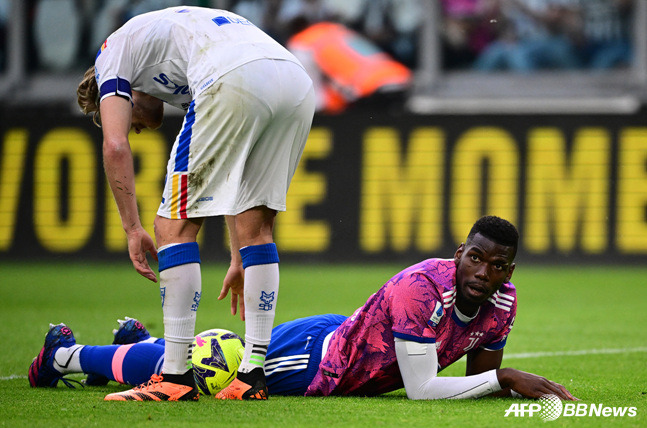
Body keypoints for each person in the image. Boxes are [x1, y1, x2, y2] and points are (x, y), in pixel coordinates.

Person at [29, 216, 576, 401]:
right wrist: (506, 379)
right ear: (460, 254)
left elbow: (477, 379)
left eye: (498, 266)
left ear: (510, 271)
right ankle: (66, 356)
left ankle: (132, 344)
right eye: (475, 258)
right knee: (206, 373)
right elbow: (423, 388)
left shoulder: (502, 302)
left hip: (351, 339)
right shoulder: (423, 288)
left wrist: (498, 381)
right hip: (323, 364)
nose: (483, 273)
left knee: (199, 362)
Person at [74, 6, 315, 401]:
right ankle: (252, 377)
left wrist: (133, 229)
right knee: (257, 229)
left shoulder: (111, 54)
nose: (137, 127)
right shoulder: (182, 66)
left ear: (122, 93)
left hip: (234, 75)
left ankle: (174, 377)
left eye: (130, 117)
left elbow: (115, 145)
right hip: (294, 82)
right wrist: (238, 258)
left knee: (172, 227)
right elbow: (231, 183)